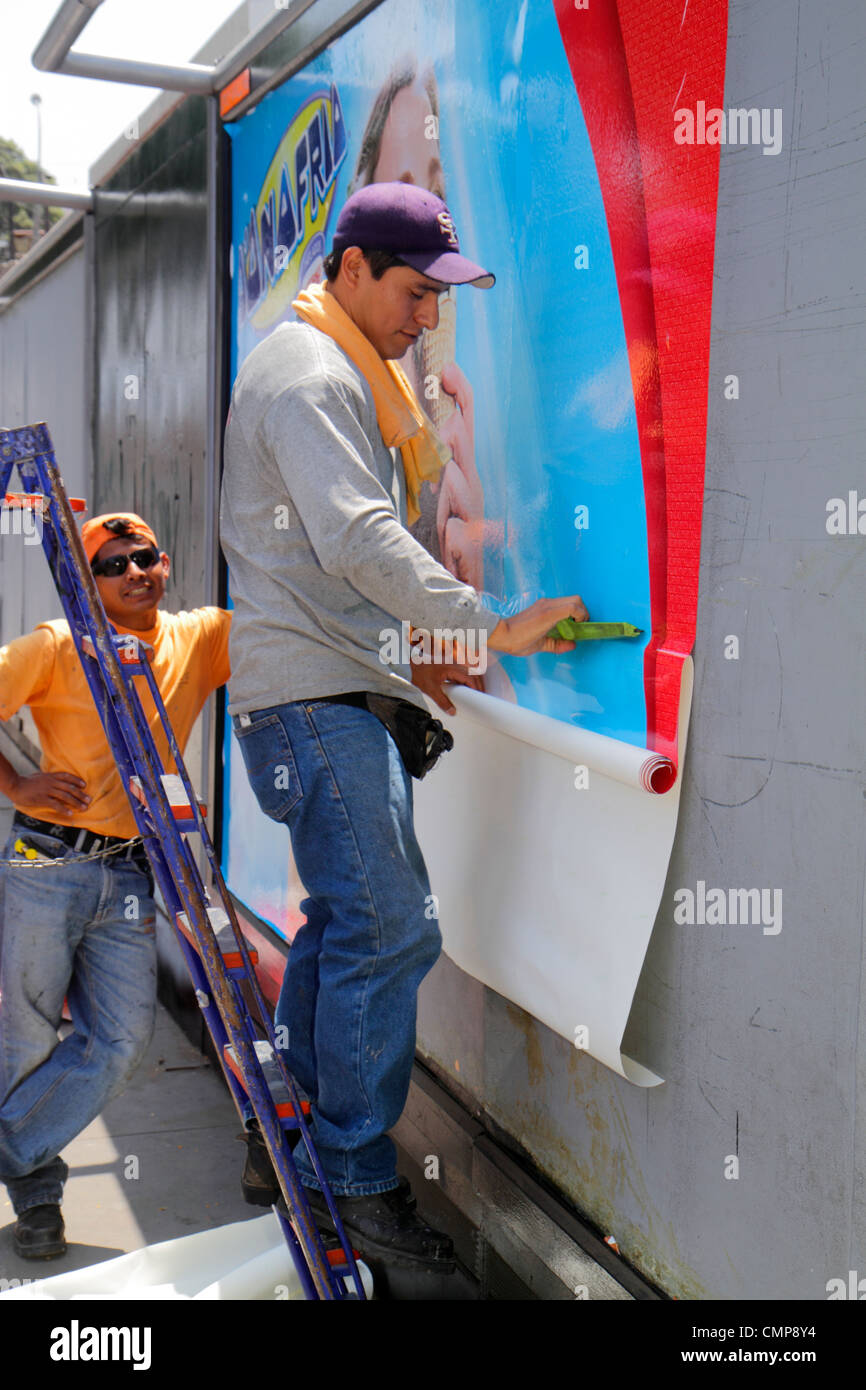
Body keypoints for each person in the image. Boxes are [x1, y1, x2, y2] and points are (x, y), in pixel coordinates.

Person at [219, 180, 587, 1273]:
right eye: (415, 291)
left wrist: (402, 660)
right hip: (312, 700)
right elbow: (358, 542)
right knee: (393, 929)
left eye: (439, 297)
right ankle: (358, 1181)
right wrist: (488, 626)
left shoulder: (351, 373)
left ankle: (286, 1128)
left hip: (330, 692)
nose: (427, 317)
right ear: (351, 267)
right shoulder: (309, 375)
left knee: (343, 926)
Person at [0, 513, 231, 1259]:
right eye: (114, 564)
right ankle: (38, 1195)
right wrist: (17, 786)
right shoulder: (57, 644)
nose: (137, 572)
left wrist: (421, 655)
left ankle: (13, 1149)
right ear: (88, 583)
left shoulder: (200, 637)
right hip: (49, 865)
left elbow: (300, 641)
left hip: (132, 868)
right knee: (31, 1033)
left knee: (124, 1040)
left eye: (147, 558)